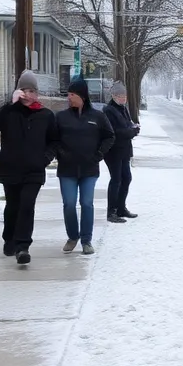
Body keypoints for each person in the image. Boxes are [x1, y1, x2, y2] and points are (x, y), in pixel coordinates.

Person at [0, 71, 57, 264]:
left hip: (34, 171)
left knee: (27, 206)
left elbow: (53, 141)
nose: (29, 94)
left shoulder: (46, 115)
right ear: (19, 91)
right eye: (25, 90)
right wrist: (9, 104)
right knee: (13, 207)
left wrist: (45, 158)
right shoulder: (10, 113)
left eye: (33, 91)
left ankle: (23, 246)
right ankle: (9, 239)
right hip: (11, 168)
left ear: (37, 93)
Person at [54, 78, 114, 254]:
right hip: (67, 169)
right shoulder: (61, 117)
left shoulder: (98, 116)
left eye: (72, 94)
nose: (69, 98)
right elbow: (53, 139)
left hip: (89, 169)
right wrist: (61, 154)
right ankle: (73, 236)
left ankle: (86, 240)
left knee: (87, 203)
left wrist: (99, 154)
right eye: (68, 94)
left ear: (82, 96)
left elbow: (109, 136)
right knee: (69, 204)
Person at [102, 81, 140, 223]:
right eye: (119, 95)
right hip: (113, 151)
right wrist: (131, 131)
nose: (123, 98)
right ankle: (111, 212)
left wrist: (133, 127)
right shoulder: (109, 110)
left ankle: (121, 207)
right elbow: (114, 131)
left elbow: (127, 124)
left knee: (126, 178)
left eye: (124, 95)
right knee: (116, 180)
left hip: (124, 150)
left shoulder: (123, 109)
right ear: (113, 96)